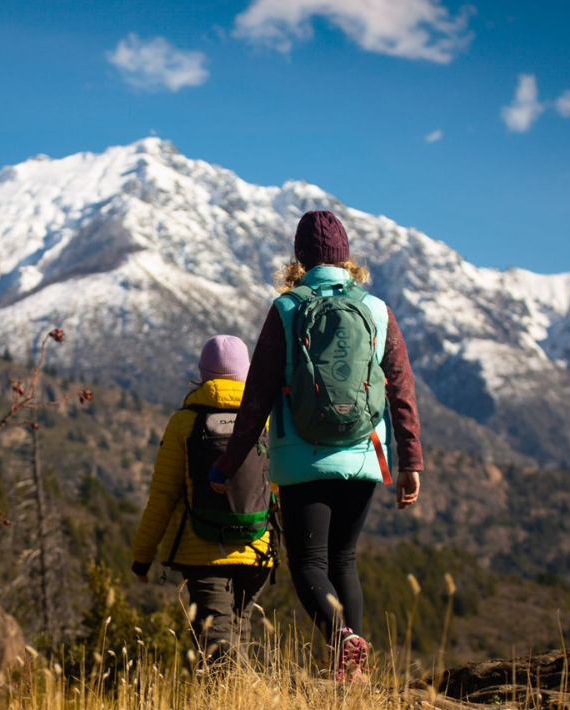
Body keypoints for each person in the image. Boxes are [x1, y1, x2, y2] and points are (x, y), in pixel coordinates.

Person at [209, 210, 423, 682]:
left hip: (302, 458)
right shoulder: (376, 310)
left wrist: (228, 464)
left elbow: (257, 397)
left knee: (309, 563)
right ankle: (354, 668)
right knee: (344, 560)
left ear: (300, 259)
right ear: (347, 258)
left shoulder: (287, 309)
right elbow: (402, 389)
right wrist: (410, 461)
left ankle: (342, 641)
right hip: (363, 454)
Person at [131, 335, 274, 665]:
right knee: (238, 634)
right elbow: (276, 487)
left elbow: (163, 495)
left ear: (203, 375)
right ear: (246, 373)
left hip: (202, 549)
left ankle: (237, 695)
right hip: (256, 546)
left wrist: (143, 555)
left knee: (217, 646)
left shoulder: (184, 423)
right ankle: (248, 695)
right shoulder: (266, 420)